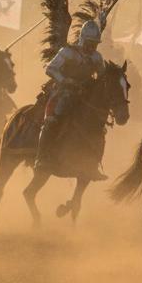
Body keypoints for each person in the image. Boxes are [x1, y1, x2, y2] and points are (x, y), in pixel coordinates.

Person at [36, 20, 106, 171]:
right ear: (82, 39)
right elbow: (50, 69)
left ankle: (92, 164)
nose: (91, 47)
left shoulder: (97, 57)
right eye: (89, 42)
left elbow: (102, 77)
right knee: (53, 119)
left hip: (85, 94)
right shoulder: (68, 52)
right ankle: (42, 157)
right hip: (63, 91)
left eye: (94, 44)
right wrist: (65, 80)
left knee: (97, 125)